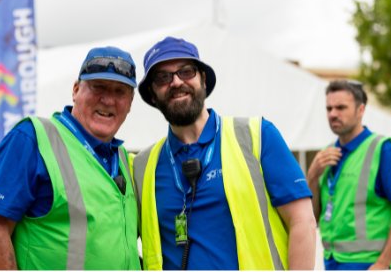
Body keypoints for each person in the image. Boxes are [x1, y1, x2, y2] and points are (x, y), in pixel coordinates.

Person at [132, 37, 315, 270]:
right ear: (152, 94)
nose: (176, 82)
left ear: (204, 80)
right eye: (163, 77)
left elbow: (303, 222)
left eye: (186, 72)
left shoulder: (256, 136)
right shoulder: (142, 166)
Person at [0, 46, 140, 270]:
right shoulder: (32, 139)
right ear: (75, 90)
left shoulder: (123, 160)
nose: (108, 100)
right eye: (98, 87)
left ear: (130, 102)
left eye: (120, 91)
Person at [305, 80, 391, 270]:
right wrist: (312, 175)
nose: (332, 114)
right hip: (331, 262)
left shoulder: (383, 149)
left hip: (368, 264)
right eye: (329, 108)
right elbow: (312, 216)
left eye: (340, 107)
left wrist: (383, 263)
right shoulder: (326, 154)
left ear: (361, 110)